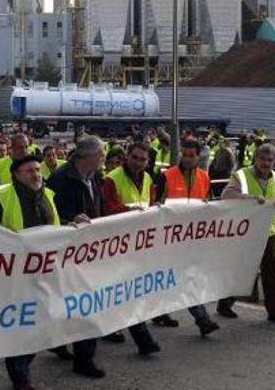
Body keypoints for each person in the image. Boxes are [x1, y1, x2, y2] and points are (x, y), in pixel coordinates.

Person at [0, 155, 59, 390]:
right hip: (15, 274)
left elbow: (56, 228)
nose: (36, 174)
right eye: (29, 171)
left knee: (42, 323)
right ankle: (20, 377)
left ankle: (22, 366)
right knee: (21, 326)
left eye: (38, 170)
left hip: (44, 271)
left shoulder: (48, 195)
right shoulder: (2, 196)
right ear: (16, 175)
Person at [45, 136, 106, 378]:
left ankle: (68, 347)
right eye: (100, 154)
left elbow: (97, 209)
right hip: (69, 251)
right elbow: (51, 212)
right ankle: (83, 360)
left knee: (84, 302)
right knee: (83, 304)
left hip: (91, 250)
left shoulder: (95, 177)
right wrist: (71, 219)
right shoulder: (61, 179)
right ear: (88, 156)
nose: (102, 159)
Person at [218, 143, 275, 323]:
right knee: (240, 270)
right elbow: (227, 195)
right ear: (255, 159)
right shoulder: (242, 175)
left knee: (273, 272)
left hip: (267, 232)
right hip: (244, 232)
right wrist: (252, 199)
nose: (266, 163)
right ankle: (225, 303)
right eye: (262, 159)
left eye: (270, 160)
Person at [100, 142, 163, 354]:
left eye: (143, 160)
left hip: (138, 244)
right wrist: (130, 210)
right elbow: (107, 208)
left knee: (126, 291)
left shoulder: (147, 179)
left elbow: (151, 204)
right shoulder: (112, 178)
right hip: (116, 243)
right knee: (127, 291)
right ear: (128, 157)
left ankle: (108, 327)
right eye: (134, 158)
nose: (138, 163)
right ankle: (143, 340)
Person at [151, 139, 219, 336]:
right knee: (182, 279)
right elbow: (156, 205)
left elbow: (209, 205)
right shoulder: (167, 176)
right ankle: (202, 319)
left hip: (192, 238)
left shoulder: (204, 177)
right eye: (185, 154)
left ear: (199, 156)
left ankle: (160, 312)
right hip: (169, 237)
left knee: (180, 279)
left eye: (191, 155)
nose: (187, 158)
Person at [0, 133, 30, 203]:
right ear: (12, 148)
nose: (24, 151)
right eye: (20, 147)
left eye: (26, 147)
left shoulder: (32, 164)